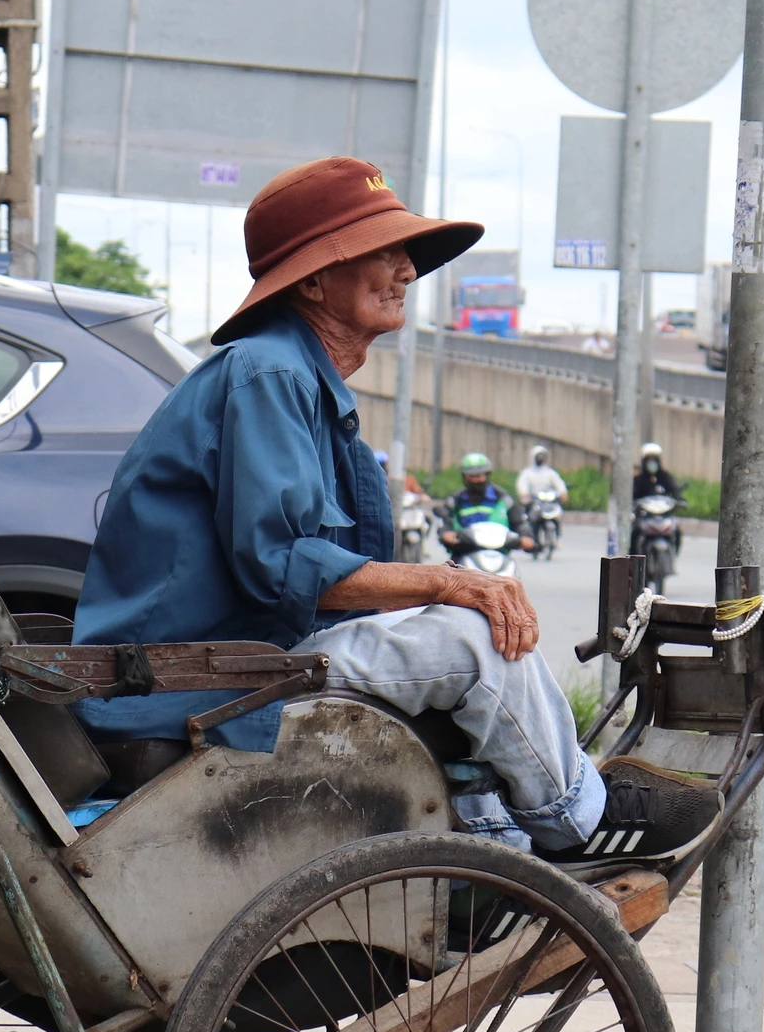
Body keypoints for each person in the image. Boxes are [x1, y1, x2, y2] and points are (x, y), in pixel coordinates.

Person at [74, 156, 716, 861]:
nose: (407, 269)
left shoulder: (294, 377)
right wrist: (451, 581)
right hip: (200, 680)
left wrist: (443, 593)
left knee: (456, 624)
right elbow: (281, 565)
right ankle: (575, 817)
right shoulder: (271, 373)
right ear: (315, 279)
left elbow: (326, 580)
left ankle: (498, 836)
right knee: (473, 641)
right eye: (382, 252)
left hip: (243, 661)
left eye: (404, 251)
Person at [438, 452, 512, 557]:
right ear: (464, 477)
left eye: (478, 476)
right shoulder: (455, 499)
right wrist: (446, 533)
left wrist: (525, 537)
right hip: (464, 554)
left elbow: (519, 521)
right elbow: (445, 520)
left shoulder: (503, 498)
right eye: (471, 476)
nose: (475, 480)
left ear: (487, 476)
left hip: (498, 554)